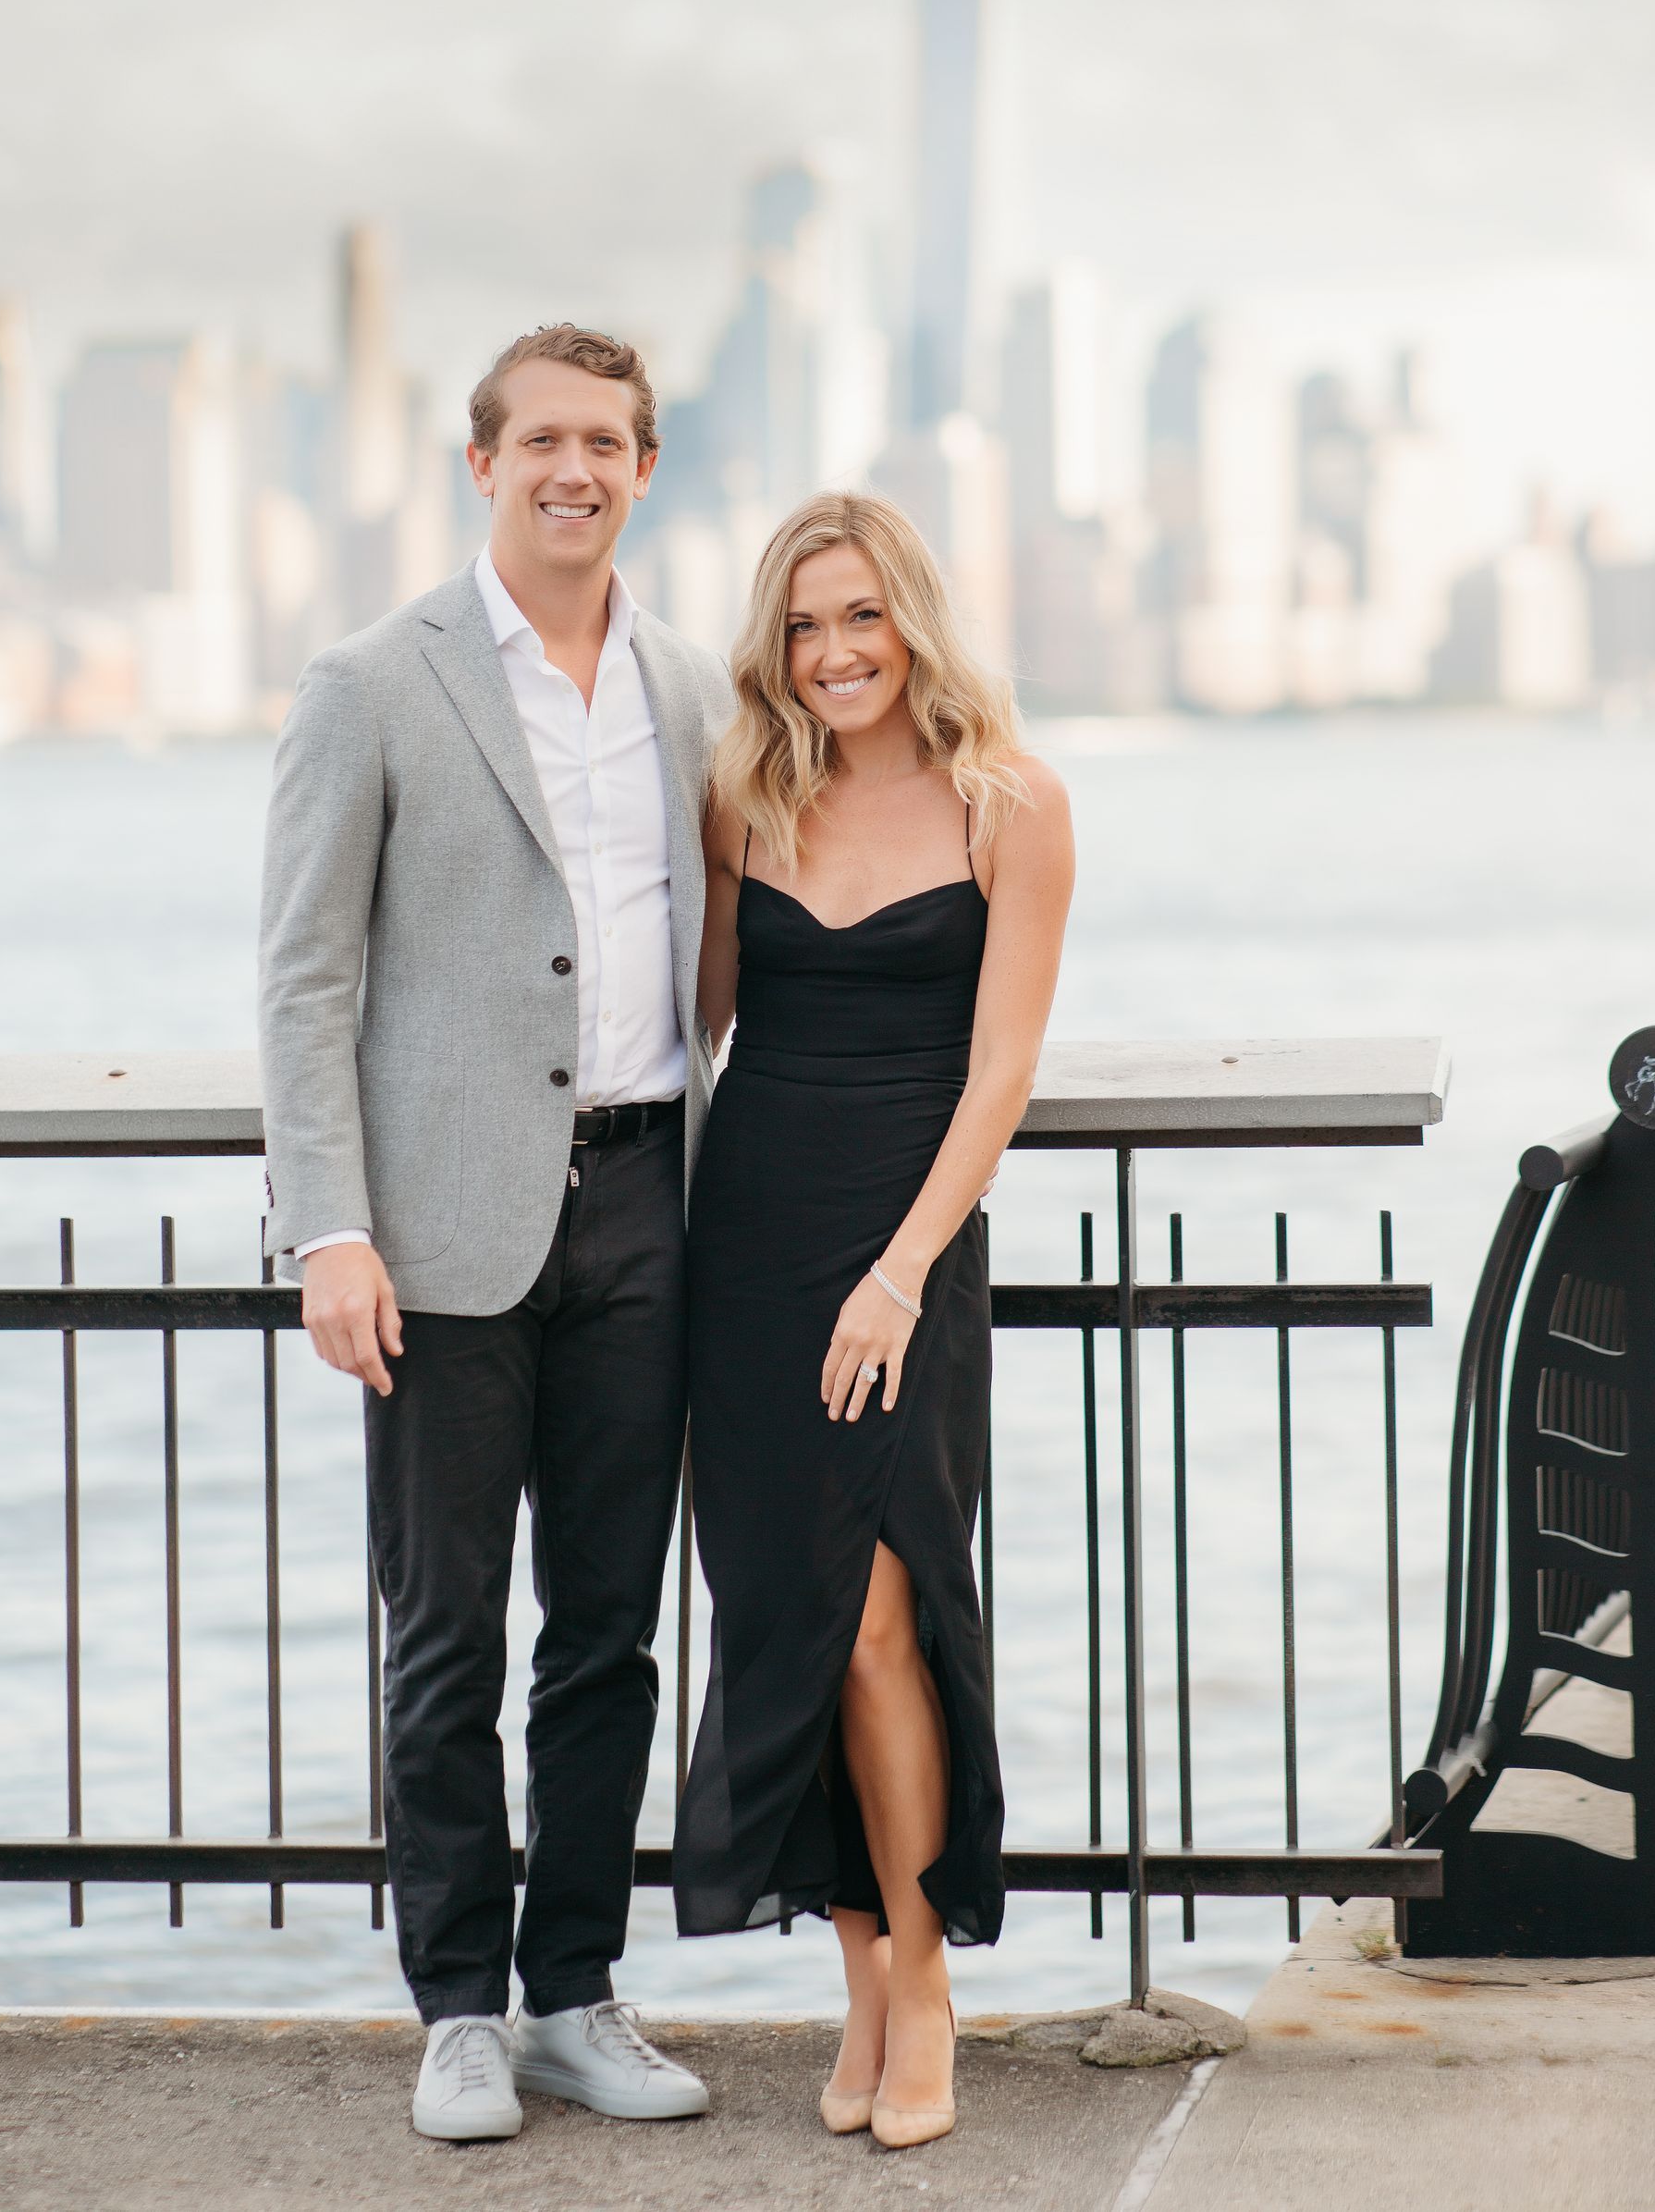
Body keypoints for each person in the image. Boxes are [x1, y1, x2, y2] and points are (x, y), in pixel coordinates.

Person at [258, 324, 732, 2143]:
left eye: (607, 441)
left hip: (647, 1208)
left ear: (644, 466)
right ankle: (456, 2002)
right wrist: (329, 1230)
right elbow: (304, 976)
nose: (574, 468)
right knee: (445, 1629)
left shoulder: (692, 686)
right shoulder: (372, 681)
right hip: (441, 1229)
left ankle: (576, 1992)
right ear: (481, 464)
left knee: (609, 1629)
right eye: (541, 438)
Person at [670, 491, 1074, 2150]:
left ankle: (925, 1981)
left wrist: (903, 1268)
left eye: (860, 618)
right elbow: (688, 1025)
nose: (834, 654)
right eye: (803, 627)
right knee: (789, 1623)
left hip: (906, 1252)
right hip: (751, 1246)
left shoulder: (1014, 802)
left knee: (885, 1619)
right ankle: (855, 1972)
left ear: (914, 620)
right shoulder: (743, 796)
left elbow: (1003, 1072)